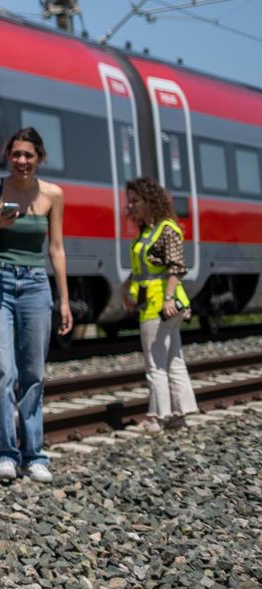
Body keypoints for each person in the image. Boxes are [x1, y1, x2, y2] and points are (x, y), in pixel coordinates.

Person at [0, 126, 72, 483]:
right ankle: (5, 454)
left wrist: (64, 300)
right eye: (16, 155)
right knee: (1, 371)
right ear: (8, 156)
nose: (22, 161)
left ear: (39, 158)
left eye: (29, 155)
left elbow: (56, 248)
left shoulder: (53, 194)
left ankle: (35, 454)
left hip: (36, 285)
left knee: (33, 374)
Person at [124, 178, 198, 432]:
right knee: (173, 358)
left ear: (149, 201)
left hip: (160, 305)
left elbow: (176, 267)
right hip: (157, 304)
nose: (130, 206)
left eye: (135, 201)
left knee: (155, 363)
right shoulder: (149, 231)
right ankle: (180, 415)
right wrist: (127, 290)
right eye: (129, 201)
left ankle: (157, 417)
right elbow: (141, 271)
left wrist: (167, 299)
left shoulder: (166, 229)